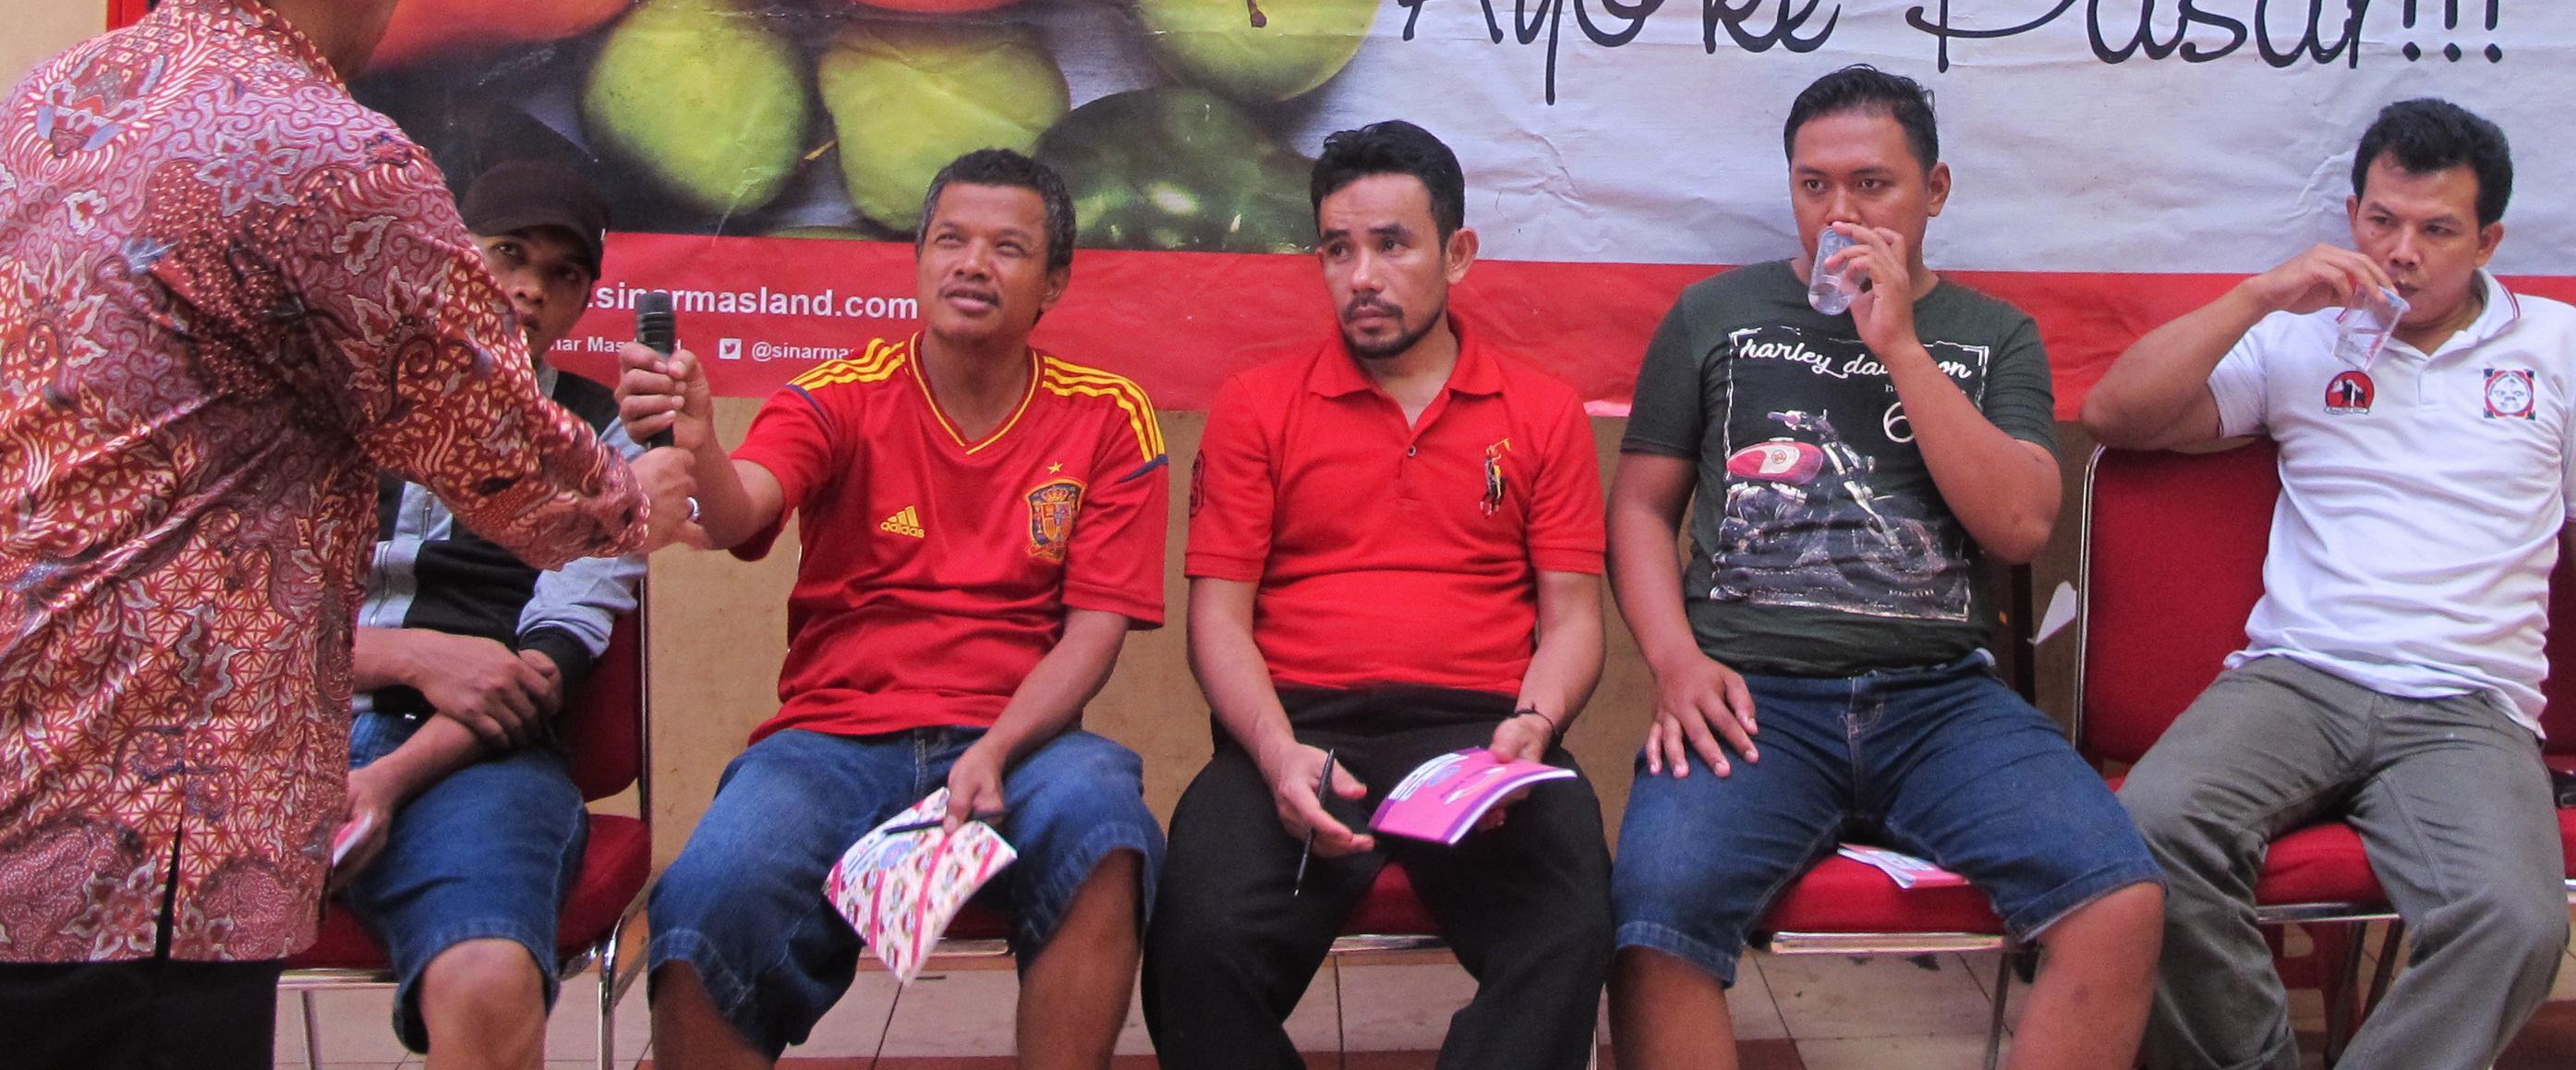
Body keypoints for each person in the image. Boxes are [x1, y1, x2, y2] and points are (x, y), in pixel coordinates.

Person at [0, 0, 682, 1070]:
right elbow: (524, 475)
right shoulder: (331, 161)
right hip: (160, 829)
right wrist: (648, 485)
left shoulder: (47, 108)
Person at [2083, 95, 2576, 1070]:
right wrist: (2257, 298)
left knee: (2515, 922)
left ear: (2488, 240)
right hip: (2296, 678)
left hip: (2469, 704)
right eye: (2381, 221)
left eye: (2437, 230)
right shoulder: (2302, 338)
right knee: (2145, 836)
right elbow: (2117, 415)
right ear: (2351, 217)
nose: (2402, 253)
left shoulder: (2563, 345)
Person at [1608, 66, 2164, 1070]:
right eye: (1814, 185)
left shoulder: (1992, 336)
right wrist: (1675, 661)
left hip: (1941, 699)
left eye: (1872, 185)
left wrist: (1901, 344)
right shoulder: (1714, 314)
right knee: (1653, 919)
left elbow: (2021, 526)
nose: (1841, 214)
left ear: (1934, 191)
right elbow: (1641, 511)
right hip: (1752, 696)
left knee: (2118, 899)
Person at [621, 147, 1167, 1070]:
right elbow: (739, 511)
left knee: (1108, 829)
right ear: (917, 261)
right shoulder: (837, 395)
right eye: (950, 241)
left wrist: (997, 748)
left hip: (1022, 743)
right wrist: (700, 444)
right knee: (709, 889)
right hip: (829, 741)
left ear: (1054, 283)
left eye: (1007, 248)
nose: (972, 264)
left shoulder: (1109, 417)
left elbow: (1095, 634)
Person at [1144, 118, 1613, 1070]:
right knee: (1194, 948)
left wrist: (1533, 726)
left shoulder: (1540, 411)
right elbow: (1218, 621)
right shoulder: (1257, 406)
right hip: (1298, 732)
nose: (1362, 276)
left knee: (1568, 929)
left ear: (1458, 254)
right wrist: (1275, 752)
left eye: (1392, 245)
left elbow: (1572, 619)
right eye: (1337, 249)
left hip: (1482, 737)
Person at [337, 157, 647, 1070]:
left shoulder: (602, 440)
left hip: (475, 759)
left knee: (486, 976)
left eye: (563, 273)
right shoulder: (336, 400)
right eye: (507, 253)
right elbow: (236, 621)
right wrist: (411, 657)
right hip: (278, 732)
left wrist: (386, 784)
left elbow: (550, 660)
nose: (530, 288)